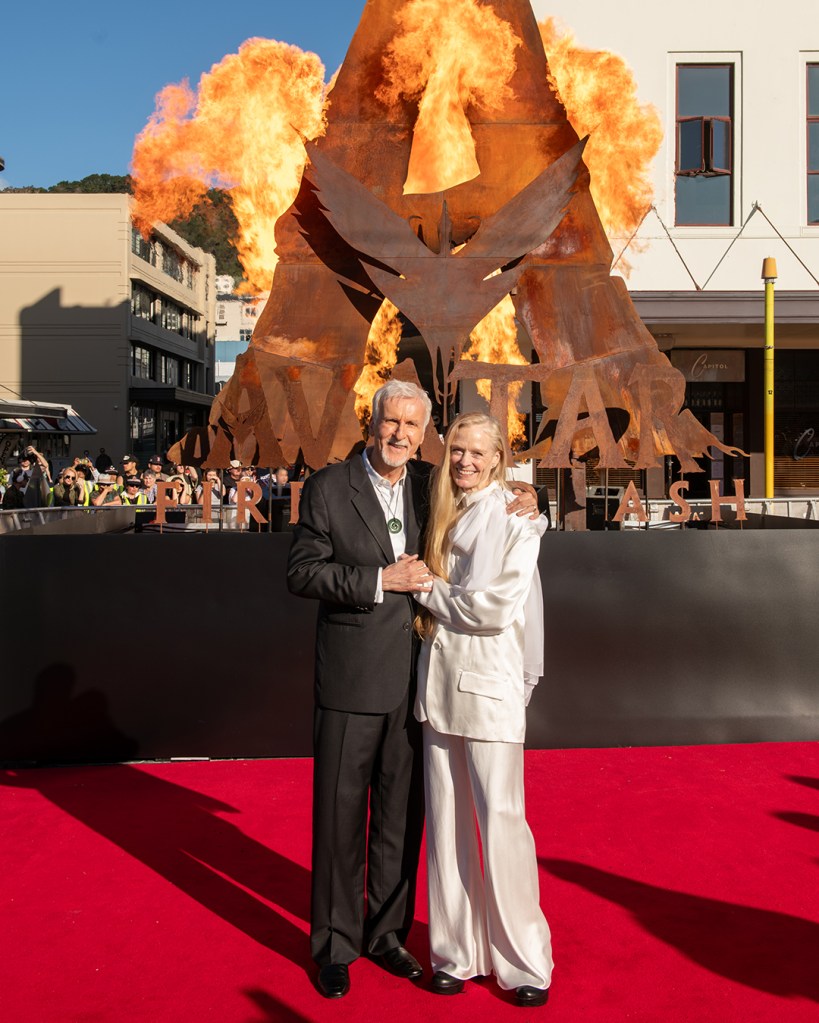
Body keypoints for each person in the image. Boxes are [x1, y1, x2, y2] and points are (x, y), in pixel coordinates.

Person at [286, 381, 537, 1000]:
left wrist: (529, 497)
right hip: (351, 678)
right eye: (391, 421)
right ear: (371, 423)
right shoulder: (328, 487)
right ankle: (335, 945)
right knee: (340, 816)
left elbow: (487, 491)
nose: (400, 434)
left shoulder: (433, 483)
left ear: (425, 434)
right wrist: (381, 580)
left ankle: (387, 935)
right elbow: (302, 572)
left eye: (412, 425)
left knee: (401, 819)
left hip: (420, 682)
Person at [414, 412, 552, 1008]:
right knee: (445, 824)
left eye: (477, 452)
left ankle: (524, 963)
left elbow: (493, 609)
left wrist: (425, 587)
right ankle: (455, 953)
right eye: (457, 451)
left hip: (492, 690)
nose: (465, 461)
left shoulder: (520, 518)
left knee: (502, 821)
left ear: (498, 458)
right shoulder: (441, 506)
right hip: (437, 688)